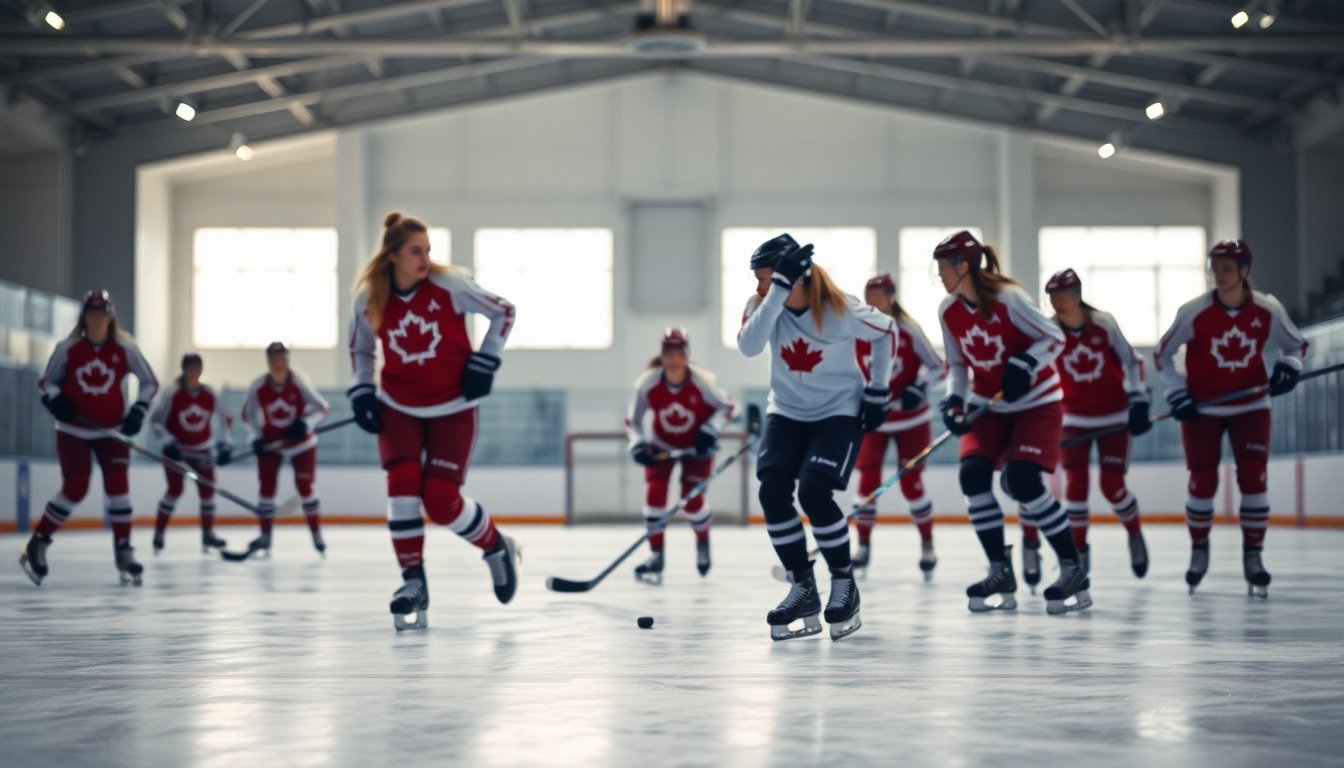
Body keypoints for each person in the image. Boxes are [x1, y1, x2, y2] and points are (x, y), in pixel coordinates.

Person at [348, 211, 521, 630]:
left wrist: (486, 360)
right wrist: (362, 390)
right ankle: (413, 582)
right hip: (398, 409)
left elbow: (505, 311)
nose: (425, 258)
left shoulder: (451, 287)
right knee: (402, 490)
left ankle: (496, 546)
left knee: (441, 502)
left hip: (453, 409)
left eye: (428, 250)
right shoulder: (370, 298)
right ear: (393, 256)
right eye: (415, 251)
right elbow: (361, 350)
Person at [737, 233, 896, 642]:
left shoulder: (839, 309)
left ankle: (844, 582)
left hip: (837, 413)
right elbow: (749, 348)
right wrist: (775, 294)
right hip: (786, 411)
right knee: (772, 490)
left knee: (814, 491)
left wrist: (878, 389)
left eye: (763, 279)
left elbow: (887, 332)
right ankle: (803, 587)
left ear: (792, 278)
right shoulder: (762, 306)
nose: (756, 288)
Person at [933, 231, 1090, 615]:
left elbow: (1054, 338)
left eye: (942, 267)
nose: (938, 275)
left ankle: (1073, 569)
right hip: (989, 404)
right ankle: (999, 570)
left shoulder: (1009, 300)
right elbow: (956, 363)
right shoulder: (948, 310)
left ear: (962, 266)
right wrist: (954, 398)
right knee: (972, 475)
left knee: (1022, 480)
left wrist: (1026, 363)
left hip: (1037, 403)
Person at [1155, 239, 1308, 598]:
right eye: (1215, 266)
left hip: (1251, 405)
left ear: (1244, 271)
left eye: (1227, 267)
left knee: (1254, 478)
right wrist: (1177, 391)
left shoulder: (1267, 309)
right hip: (1202, 409)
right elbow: (1163, 355)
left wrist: (1289, 367)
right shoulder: (1193, 311)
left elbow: (1296, 345)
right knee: (1203, 481)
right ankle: (1199, 550)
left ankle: (1253, 555)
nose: (1219, 274)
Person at [21, 289, 159, 586]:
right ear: (84, 317)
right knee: (76, 486)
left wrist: (138, 409)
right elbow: (46, 382)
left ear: (111, 317)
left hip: (112, 431)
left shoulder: (125, 348)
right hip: (73, 430)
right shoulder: (68, 348)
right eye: (92, 314)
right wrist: (55, 399)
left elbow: (150, 382)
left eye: (103, 314)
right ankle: (39, 542)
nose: (98, 320)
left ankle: (124, 549)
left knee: (119, 488)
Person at [1035, 269, 1151, 579]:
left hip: (1113, 418)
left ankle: (1135, 534)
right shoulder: (1050, 331)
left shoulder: (1104, 323)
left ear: (1077, 295)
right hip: (1072, 420)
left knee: (1112, 486)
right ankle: (1078, 555)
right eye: (1052, 298)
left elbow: (1132, 361)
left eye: (1062, 296)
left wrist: (1138, 398)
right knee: (1076, 488)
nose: (1057, 303)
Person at [852, 273, 947, 580]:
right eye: (868, 296)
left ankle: (927, 544)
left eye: (878, 295)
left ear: (891, 297)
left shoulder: (907, 329)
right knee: (867, 483)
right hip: (875, 421)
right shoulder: (858, 328)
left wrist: (919, 388)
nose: (872, 302)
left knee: (911, 483)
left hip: (911, 420)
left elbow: (939, 366)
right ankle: (863, 546)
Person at [625, 328, 737, 583]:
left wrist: (710, 430)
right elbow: (633, 420)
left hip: (696, 449)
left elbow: (730, 407)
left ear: (686, 355)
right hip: (661, 445)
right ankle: (656, 555)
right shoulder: (648, 384)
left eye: (679, 353)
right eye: (669, 353)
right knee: (654, 495)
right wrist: (638, 445)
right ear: (662, 356)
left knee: (693, 500)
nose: (674, 359)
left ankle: (702, 542)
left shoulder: (702, 383)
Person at [237, 342, 330, 558]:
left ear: (288, 361)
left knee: (305, 486)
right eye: (274, 360)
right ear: (268, 362)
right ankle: (265, 536)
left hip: (301, 444)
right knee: (266, 489)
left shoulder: (299, 383)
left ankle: (316, 534)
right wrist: (256, 437)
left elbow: (321, 408)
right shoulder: (258, 386)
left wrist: (306, 424)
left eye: (282, 359)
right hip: (272, 445)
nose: (278, 364)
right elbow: (248, 415)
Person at [149, 352, 234, 554]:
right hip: (176, 453)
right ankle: (159, 532)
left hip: (203, 451)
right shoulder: (173, 393)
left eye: (197, 367)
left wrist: (224, 445)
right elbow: (156, 420)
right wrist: (168, 442)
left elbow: (227, 418)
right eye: (190, 367)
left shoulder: (210, 393)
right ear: (184, 370)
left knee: (208, 492)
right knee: (174, 490)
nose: (194, 372)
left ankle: (208, 535)